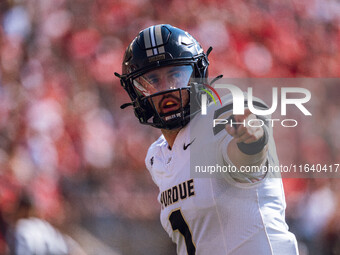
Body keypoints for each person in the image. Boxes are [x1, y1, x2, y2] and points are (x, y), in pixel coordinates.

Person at [115, 24, 299, 255]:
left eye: (176, 75)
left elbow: (247, 155)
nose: (167, 89)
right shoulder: (157, 156)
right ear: (136, 91)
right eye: (152, 80)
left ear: (196, 76)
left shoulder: (220, 119)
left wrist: (251, 140)